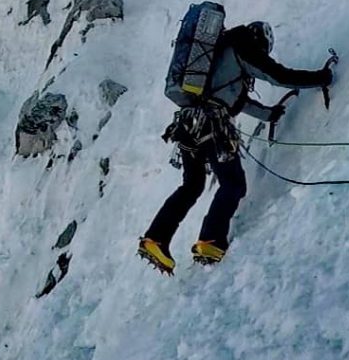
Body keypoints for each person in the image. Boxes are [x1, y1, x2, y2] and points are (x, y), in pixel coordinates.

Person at [138, 21, 334, 272]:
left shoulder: (218, 55)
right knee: (233, 184)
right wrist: (321, 78)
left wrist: (269, 114)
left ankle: (155, 239)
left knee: (192, 185)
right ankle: (210, 240)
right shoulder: (244, 46)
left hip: (188, 124)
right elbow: (279, 76)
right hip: (212, 125)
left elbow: (238, 102)